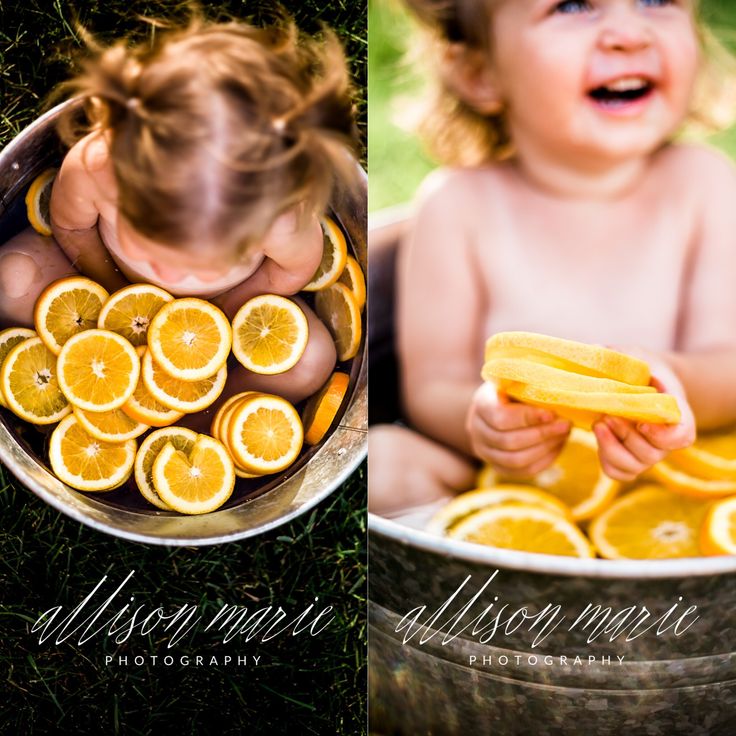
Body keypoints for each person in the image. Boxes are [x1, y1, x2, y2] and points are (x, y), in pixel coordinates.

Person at [369, 0, 736, 516]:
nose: (629, 33)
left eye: (657, 1)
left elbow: (729, 365)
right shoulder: (458, 206)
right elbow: (431, 389)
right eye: (573, 6)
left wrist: (670, 382)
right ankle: (478, 564)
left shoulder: (705, 184)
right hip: (510, 483)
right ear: (480, 73)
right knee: (384, 462)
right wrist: (487, 422)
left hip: (675, 481)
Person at [0, 14, 358, 403]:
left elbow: (291, 267)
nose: (168, 271)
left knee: (312, 359)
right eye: (148, 242)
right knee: (9, 278)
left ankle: (204, 411)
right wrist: (111, 285)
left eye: (199, 260)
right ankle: (85, 386)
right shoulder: (98, 166)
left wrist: (227, 307)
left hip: (226, 304)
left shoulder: (280, 214)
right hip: (104, 277)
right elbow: (71, 227)